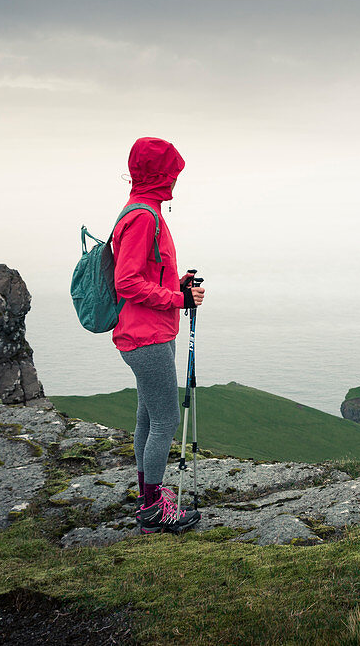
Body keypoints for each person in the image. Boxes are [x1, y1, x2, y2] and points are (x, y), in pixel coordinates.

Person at [112, 137, 205, 533]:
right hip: (146, 337)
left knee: (147, 419)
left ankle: (147, 497)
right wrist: (178, 298)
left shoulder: (142, 210)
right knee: (164, 420)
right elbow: (127, 282)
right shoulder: (145, 217)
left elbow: (146, 273)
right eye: (172, 174)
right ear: (161, 175)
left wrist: (176, 284)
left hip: (146, 333)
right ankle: (152, 510)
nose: (175, 181)